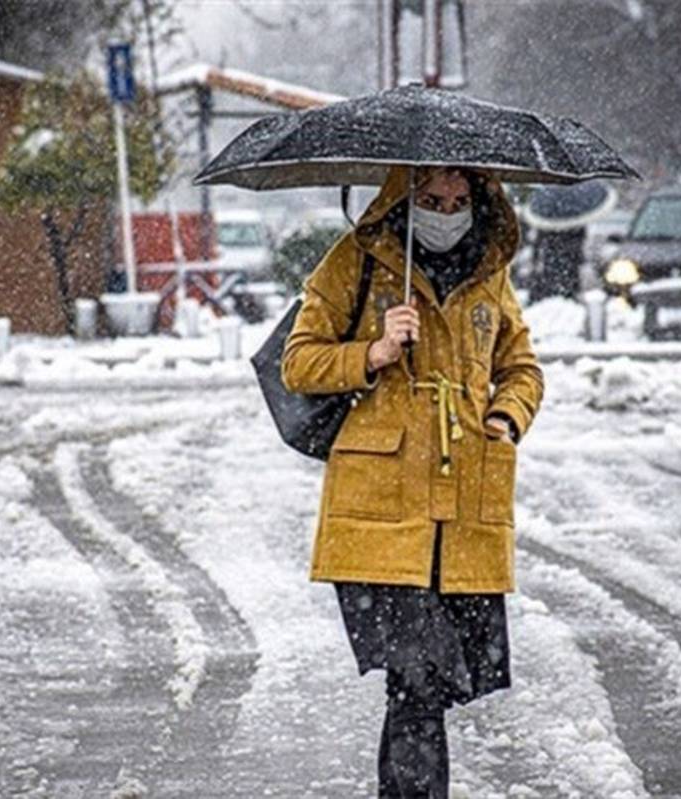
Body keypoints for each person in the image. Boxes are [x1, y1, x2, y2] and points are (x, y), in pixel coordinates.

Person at [282, 164, 544, 797]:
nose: (445, 212)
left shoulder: (489, 274)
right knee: (419, 679)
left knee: (426, 688)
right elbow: (298, 362)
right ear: (404, 198)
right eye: (430, 199)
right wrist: (372, 352)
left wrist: (507, 417)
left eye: (458, 200)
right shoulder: (357, 261)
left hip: (461, 520)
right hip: (379, 516)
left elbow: (522, 368)